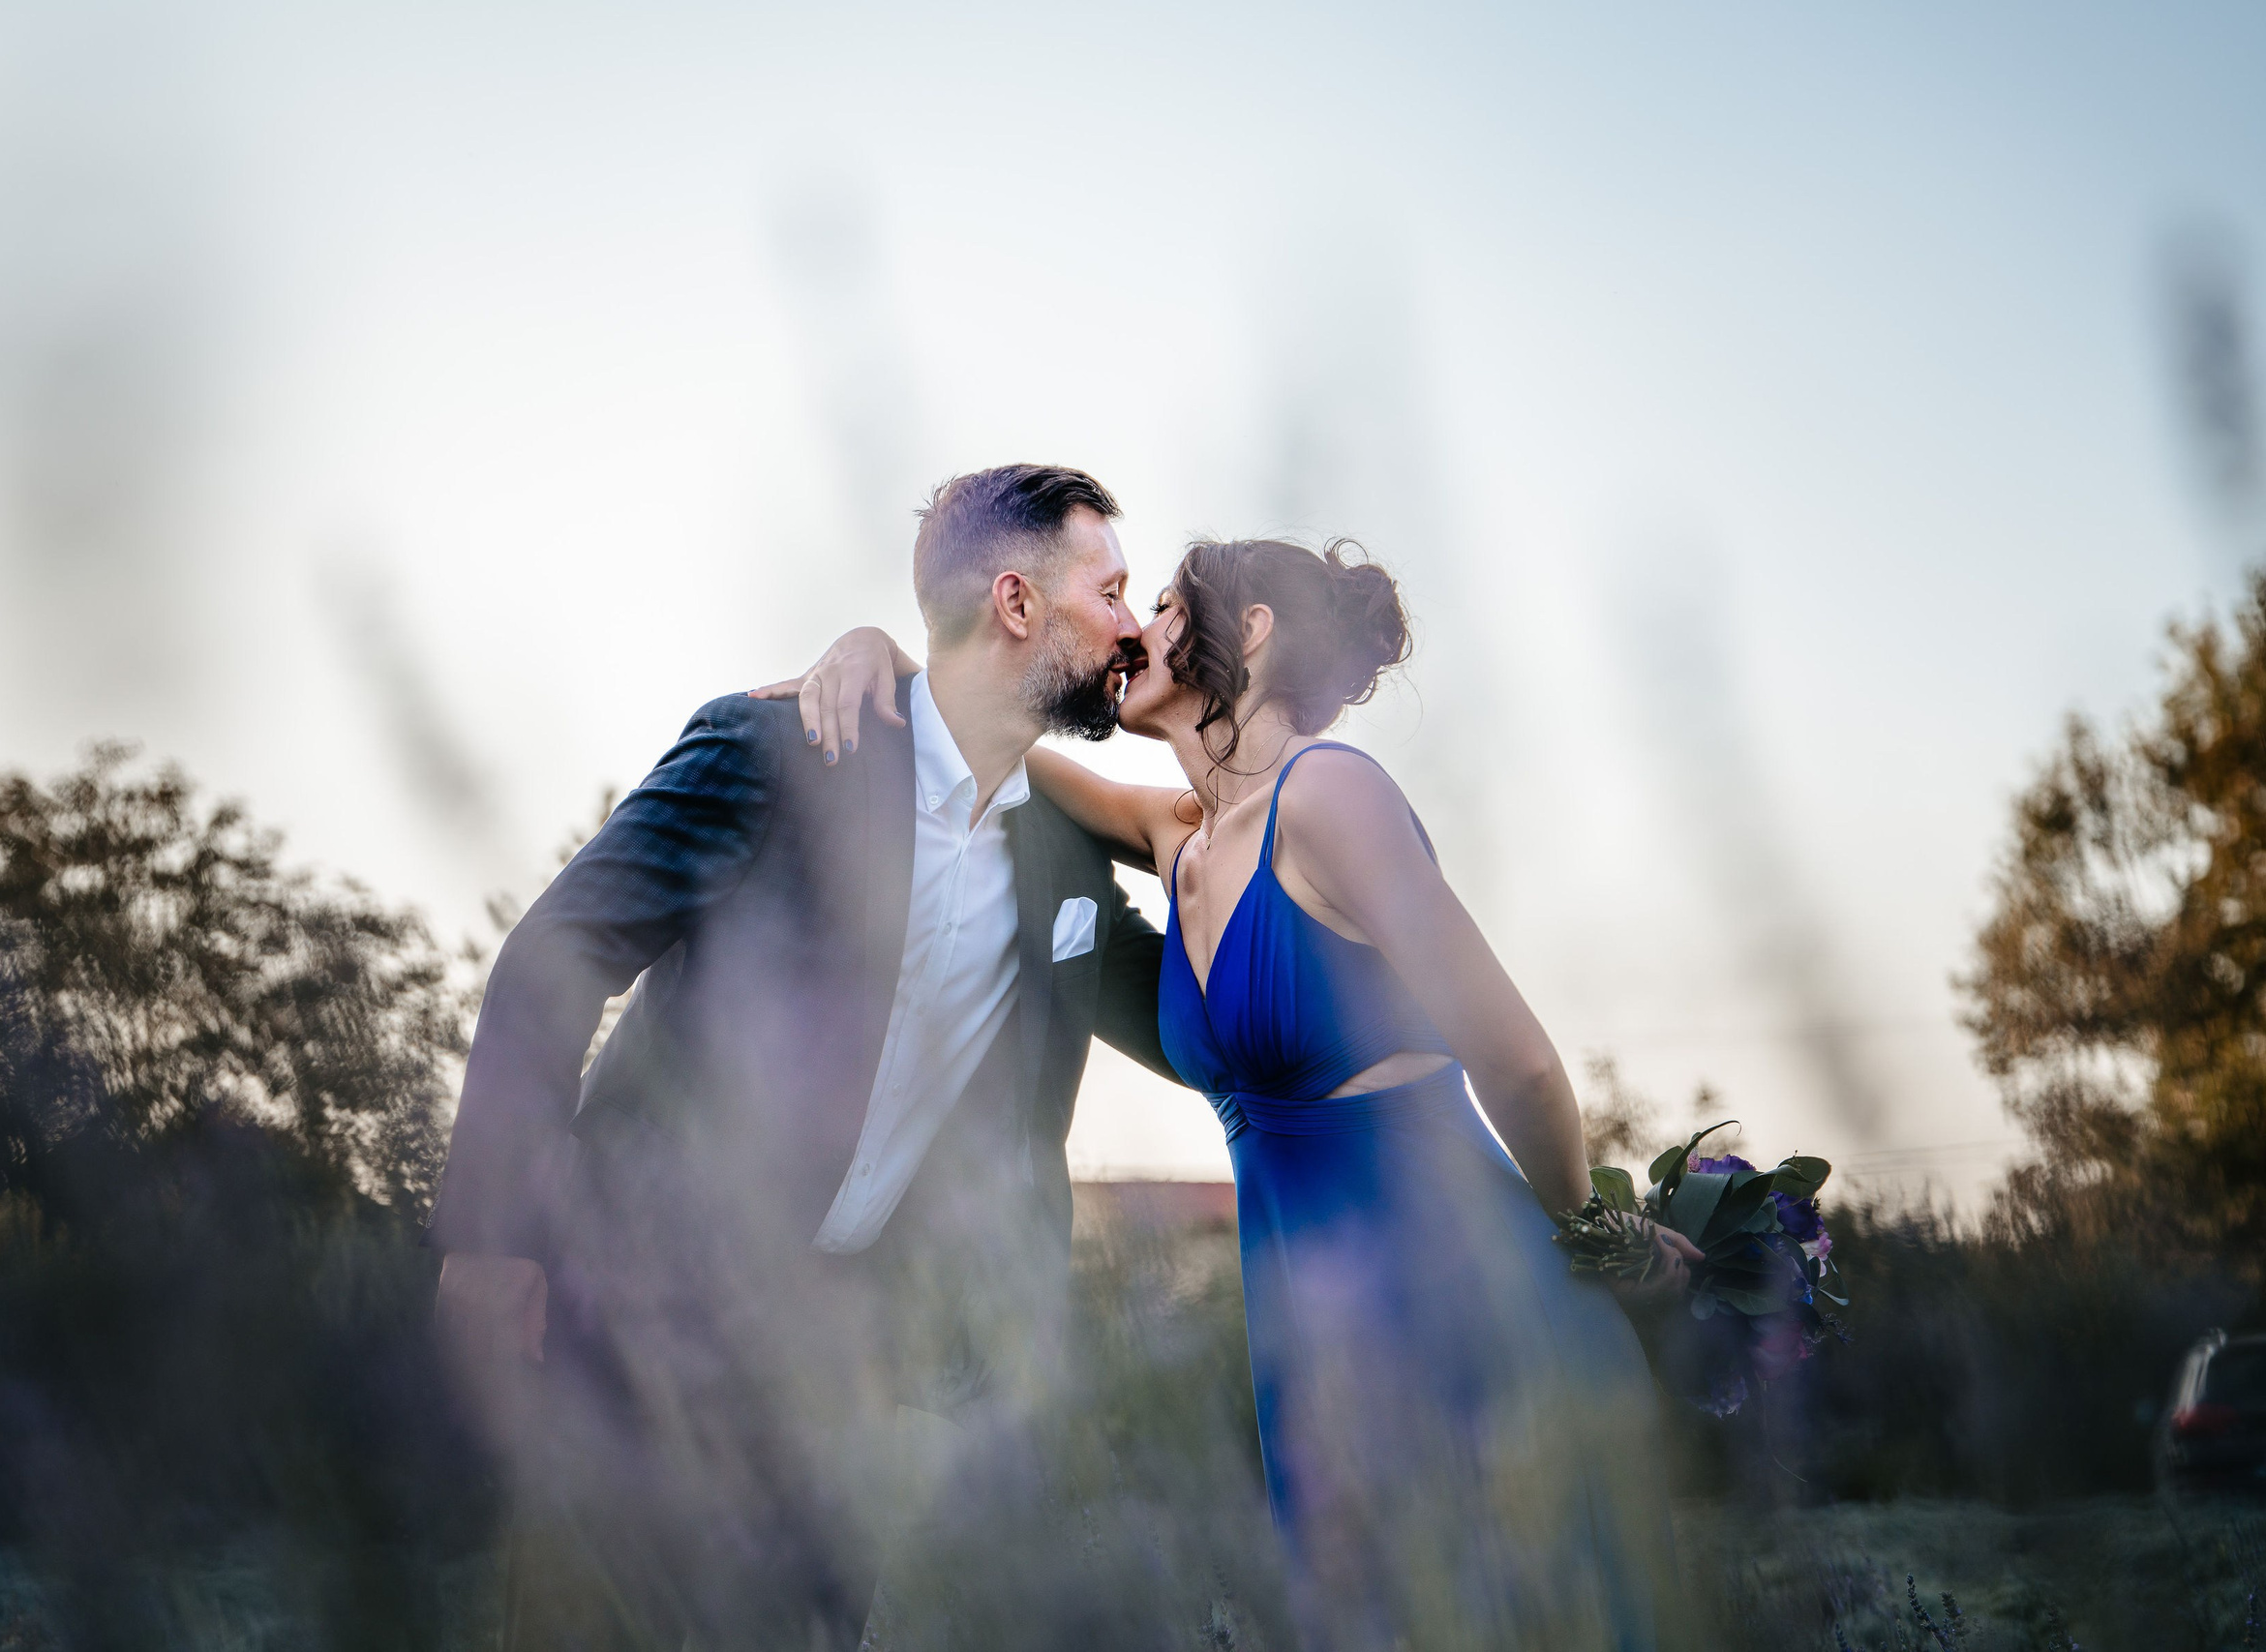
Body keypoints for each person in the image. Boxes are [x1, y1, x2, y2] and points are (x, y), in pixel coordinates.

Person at [776, 537, 1699, 1650]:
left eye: (1159, 606)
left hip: (1453, 1288)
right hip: (1308, 1329)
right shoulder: (1183, 839)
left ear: (1247, 630)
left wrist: (1595, 1234)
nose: (1132, 633)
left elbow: (1519, 1061)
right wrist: (878, 655)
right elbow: (1003, 753)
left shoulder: (1332, 794)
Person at [428, 464, 1186, 1651]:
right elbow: (556, 955)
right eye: (1114, 590)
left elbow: (1204, 1034)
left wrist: (1239, 803)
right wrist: (489, 1240)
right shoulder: (778, 752)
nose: (1135, 627)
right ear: (1016, 603)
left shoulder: (1064, 865)